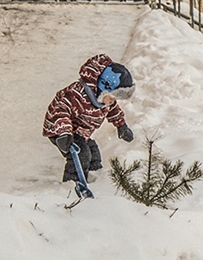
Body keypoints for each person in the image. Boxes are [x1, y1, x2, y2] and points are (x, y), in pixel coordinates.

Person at [43, 54, 136, 183]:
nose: (112, 102)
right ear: (103, 87)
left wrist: (121, 125)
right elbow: (60, 110)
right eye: (112, 97)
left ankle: (95, 180)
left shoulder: (104, 100)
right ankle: (72, 184)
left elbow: (113, 110)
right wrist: (64, 132)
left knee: (94, 153)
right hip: (60, 130)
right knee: (81, 155)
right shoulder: (77, 93)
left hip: (80, 133)